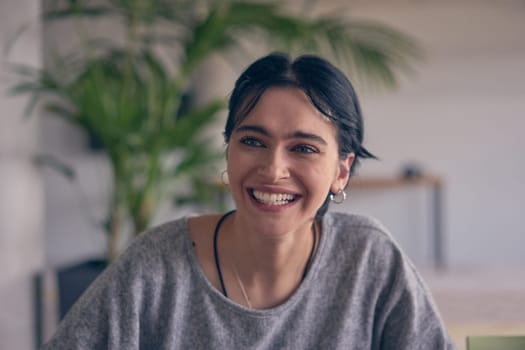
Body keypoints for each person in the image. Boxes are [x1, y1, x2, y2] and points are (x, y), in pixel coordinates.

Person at [43, 53, 456, 349]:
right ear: (228, 151)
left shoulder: (369, 259)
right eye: (252, 141)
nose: (273, 169)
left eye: (304, 148)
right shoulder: (156, 266)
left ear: (341, 171)